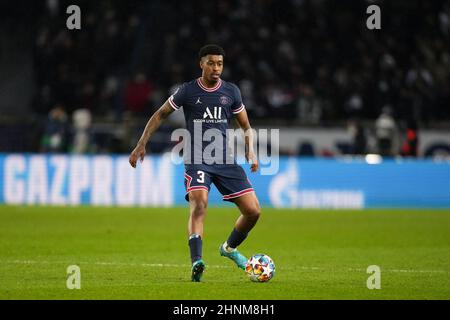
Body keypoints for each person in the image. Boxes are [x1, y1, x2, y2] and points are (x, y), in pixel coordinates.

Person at [129, 45, 261, 282]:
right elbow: (160, 114)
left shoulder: (231, 91)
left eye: (220, 63)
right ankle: (197, 261)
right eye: (211, 63)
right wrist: (141, 143)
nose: (216, 68)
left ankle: (229, 249)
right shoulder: (187, 91)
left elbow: (245, 125)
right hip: (197, 159)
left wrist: (251, 151)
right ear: (201, 63)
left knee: (253, 211)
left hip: (224, 160)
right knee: (199, 203)